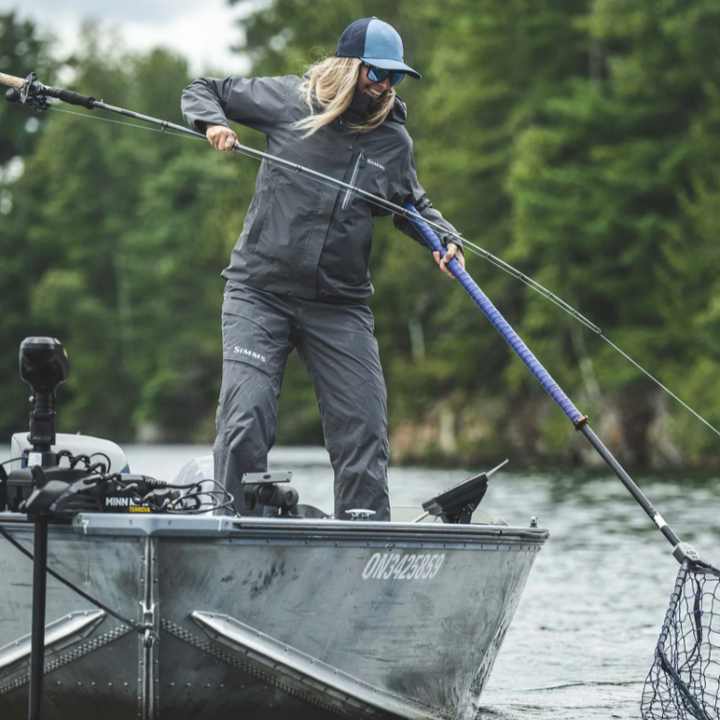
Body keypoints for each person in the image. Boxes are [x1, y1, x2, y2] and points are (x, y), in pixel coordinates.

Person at [181, 16, 464, 521]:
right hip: (259, 293)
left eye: (394, 77)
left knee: (365, 431)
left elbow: (410, 204)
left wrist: (444, 238)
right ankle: (235, 530)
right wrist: (214, 123)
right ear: (348, 66)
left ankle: (361, 546)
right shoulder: (290, 101)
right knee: (245, 419)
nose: (383, 87)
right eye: (375, 73)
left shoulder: (392, 143)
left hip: (339, 306)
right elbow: (205, 89)